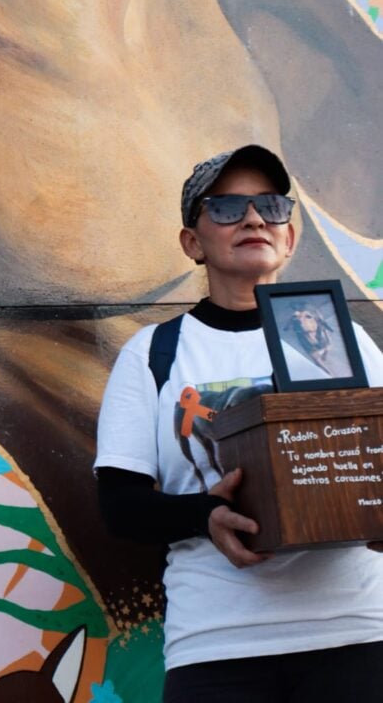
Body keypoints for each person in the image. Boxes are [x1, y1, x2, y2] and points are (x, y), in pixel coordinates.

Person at [95, 144, 383, 702]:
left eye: (272, 206)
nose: (253, 218)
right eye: (225, 208)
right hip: (217, 646)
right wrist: (205, 516)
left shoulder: (344, 342)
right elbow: (118, 505)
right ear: (192, 242)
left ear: (290, 236)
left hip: (355, 636)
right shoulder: (154, 352)